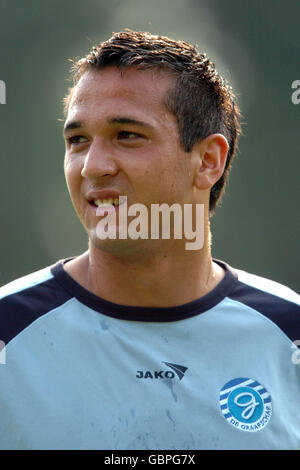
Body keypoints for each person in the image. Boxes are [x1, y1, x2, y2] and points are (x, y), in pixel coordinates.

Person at [0, 30, 299, 451]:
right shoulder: (9, 332)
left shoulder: (288, 334)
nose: (92, 166)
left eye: (127, 135)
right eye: (77, 141)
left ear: (209, 161)